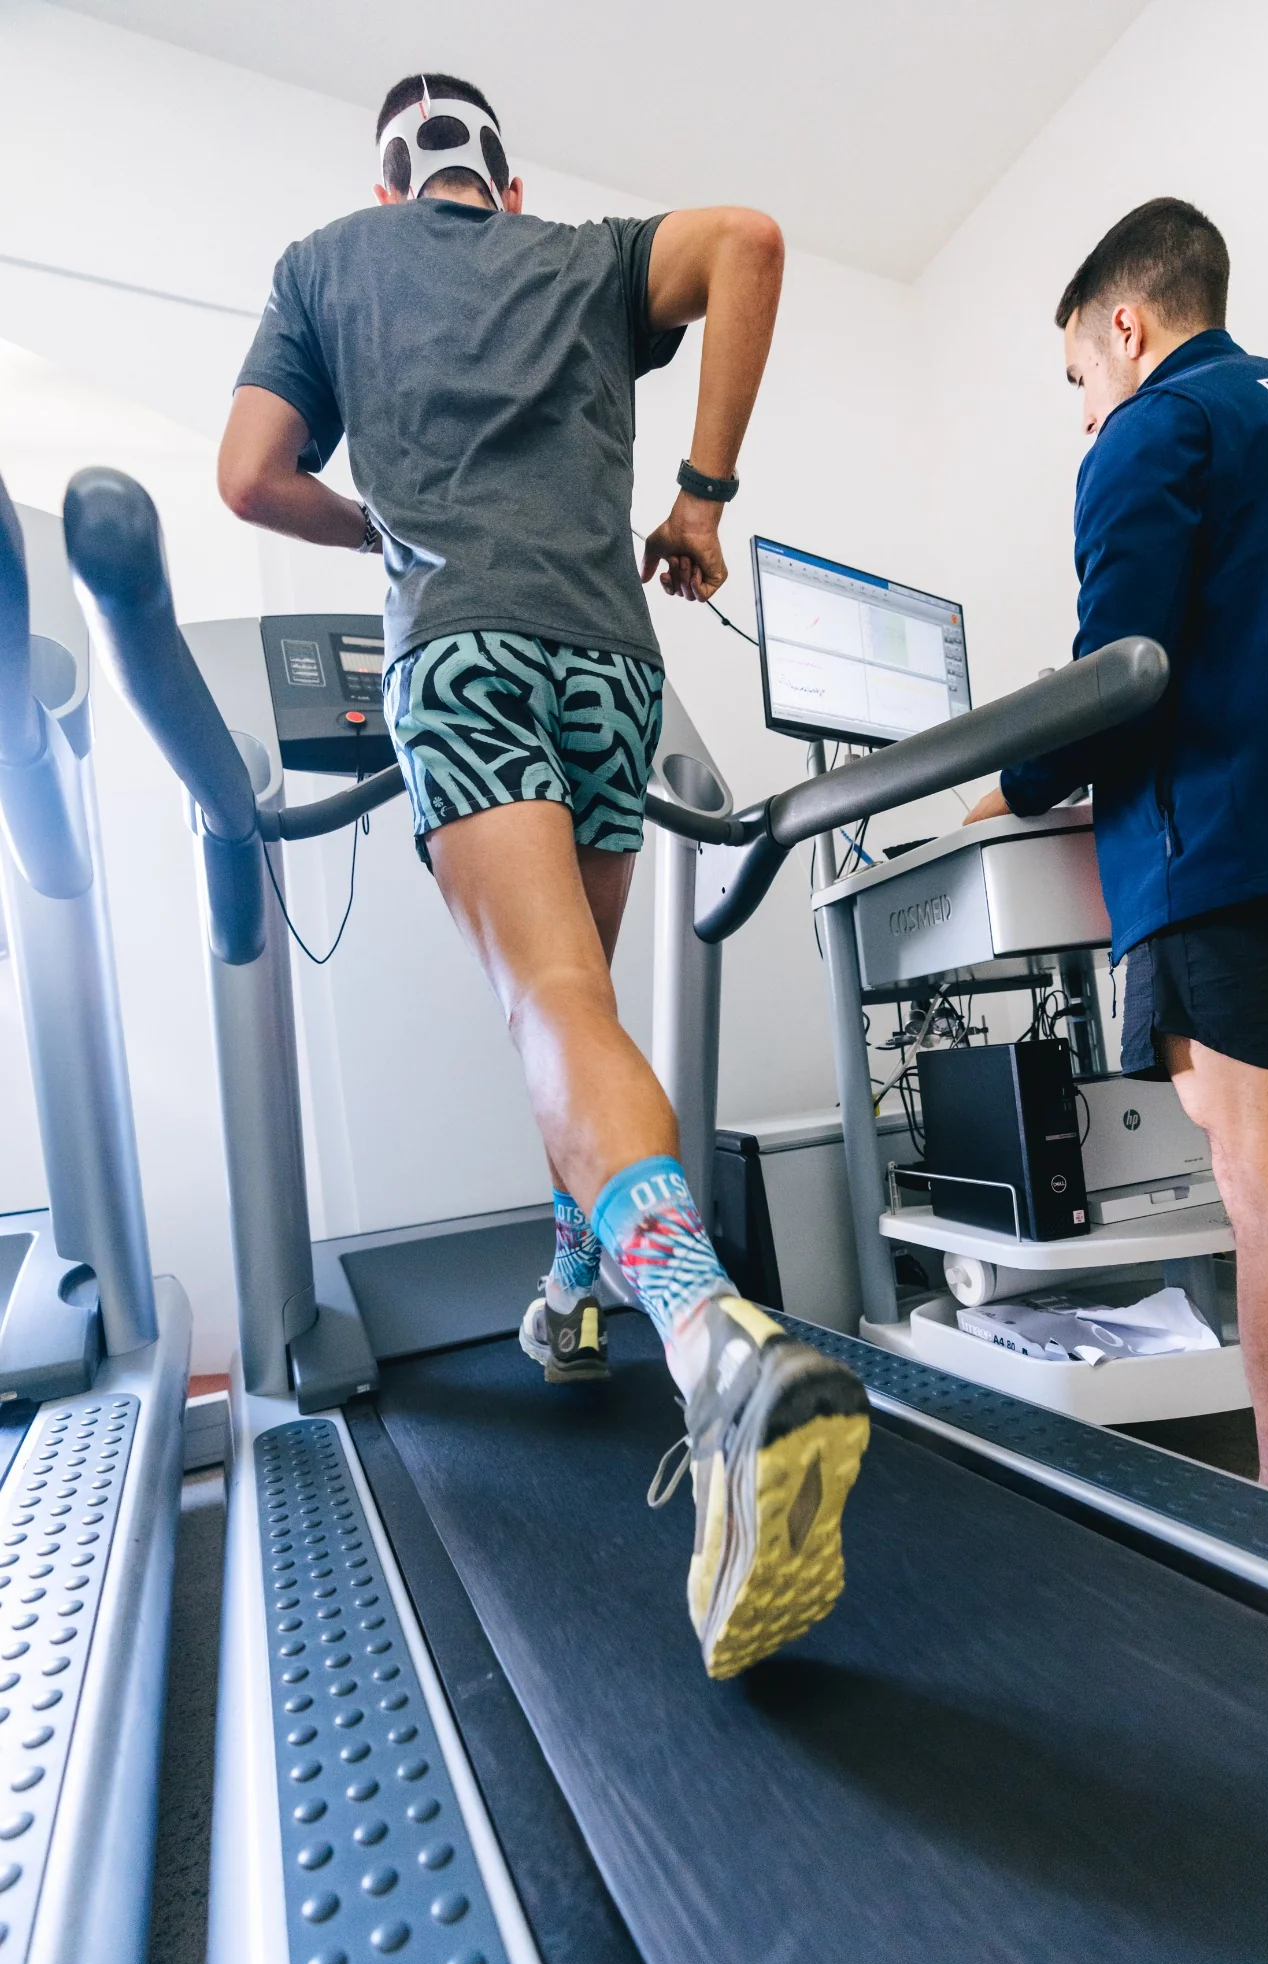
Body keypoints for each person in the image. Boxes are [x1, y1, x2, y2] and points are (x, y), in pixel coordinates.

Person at [217, 71, 869, 1675]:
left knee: (550, 1001)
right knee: (584, 1001)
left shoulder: (331, 263)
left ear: (392, 189)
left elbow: (245, 475)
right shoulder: (580, 254)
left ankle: (709, 1341)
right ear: (503, 186)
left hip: (465, 656)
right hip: (609, 667)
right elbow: (754, 242)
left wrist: (377, 523)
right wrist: (699, 500)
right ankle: (574, 1286)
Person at [965, 197, 1268, 1513]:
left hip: (1253, 857)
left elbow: (1116, 675)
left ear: (1124, 328)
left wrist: (1012, 784)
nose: (1087, 412)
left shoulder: (1156, 425)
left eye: (1081, 376)